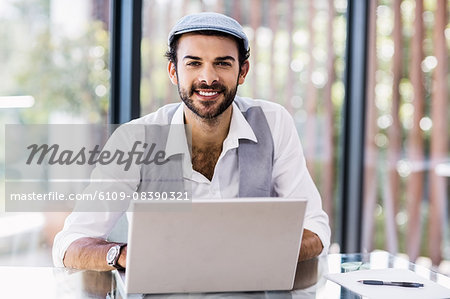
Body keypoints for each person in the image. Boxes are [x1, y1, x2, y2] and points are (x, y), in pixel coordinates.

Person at [53, 12, 330, 271]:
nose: (208, 78)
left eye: (222, 63)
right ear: (173, 71)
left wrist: (255, 252)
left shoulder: (274, 123)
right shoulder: (134, 140)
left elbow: (315, 229)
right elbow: (69, 244)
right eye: (194, 63)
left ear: (242, 71)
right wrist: (122, 255)